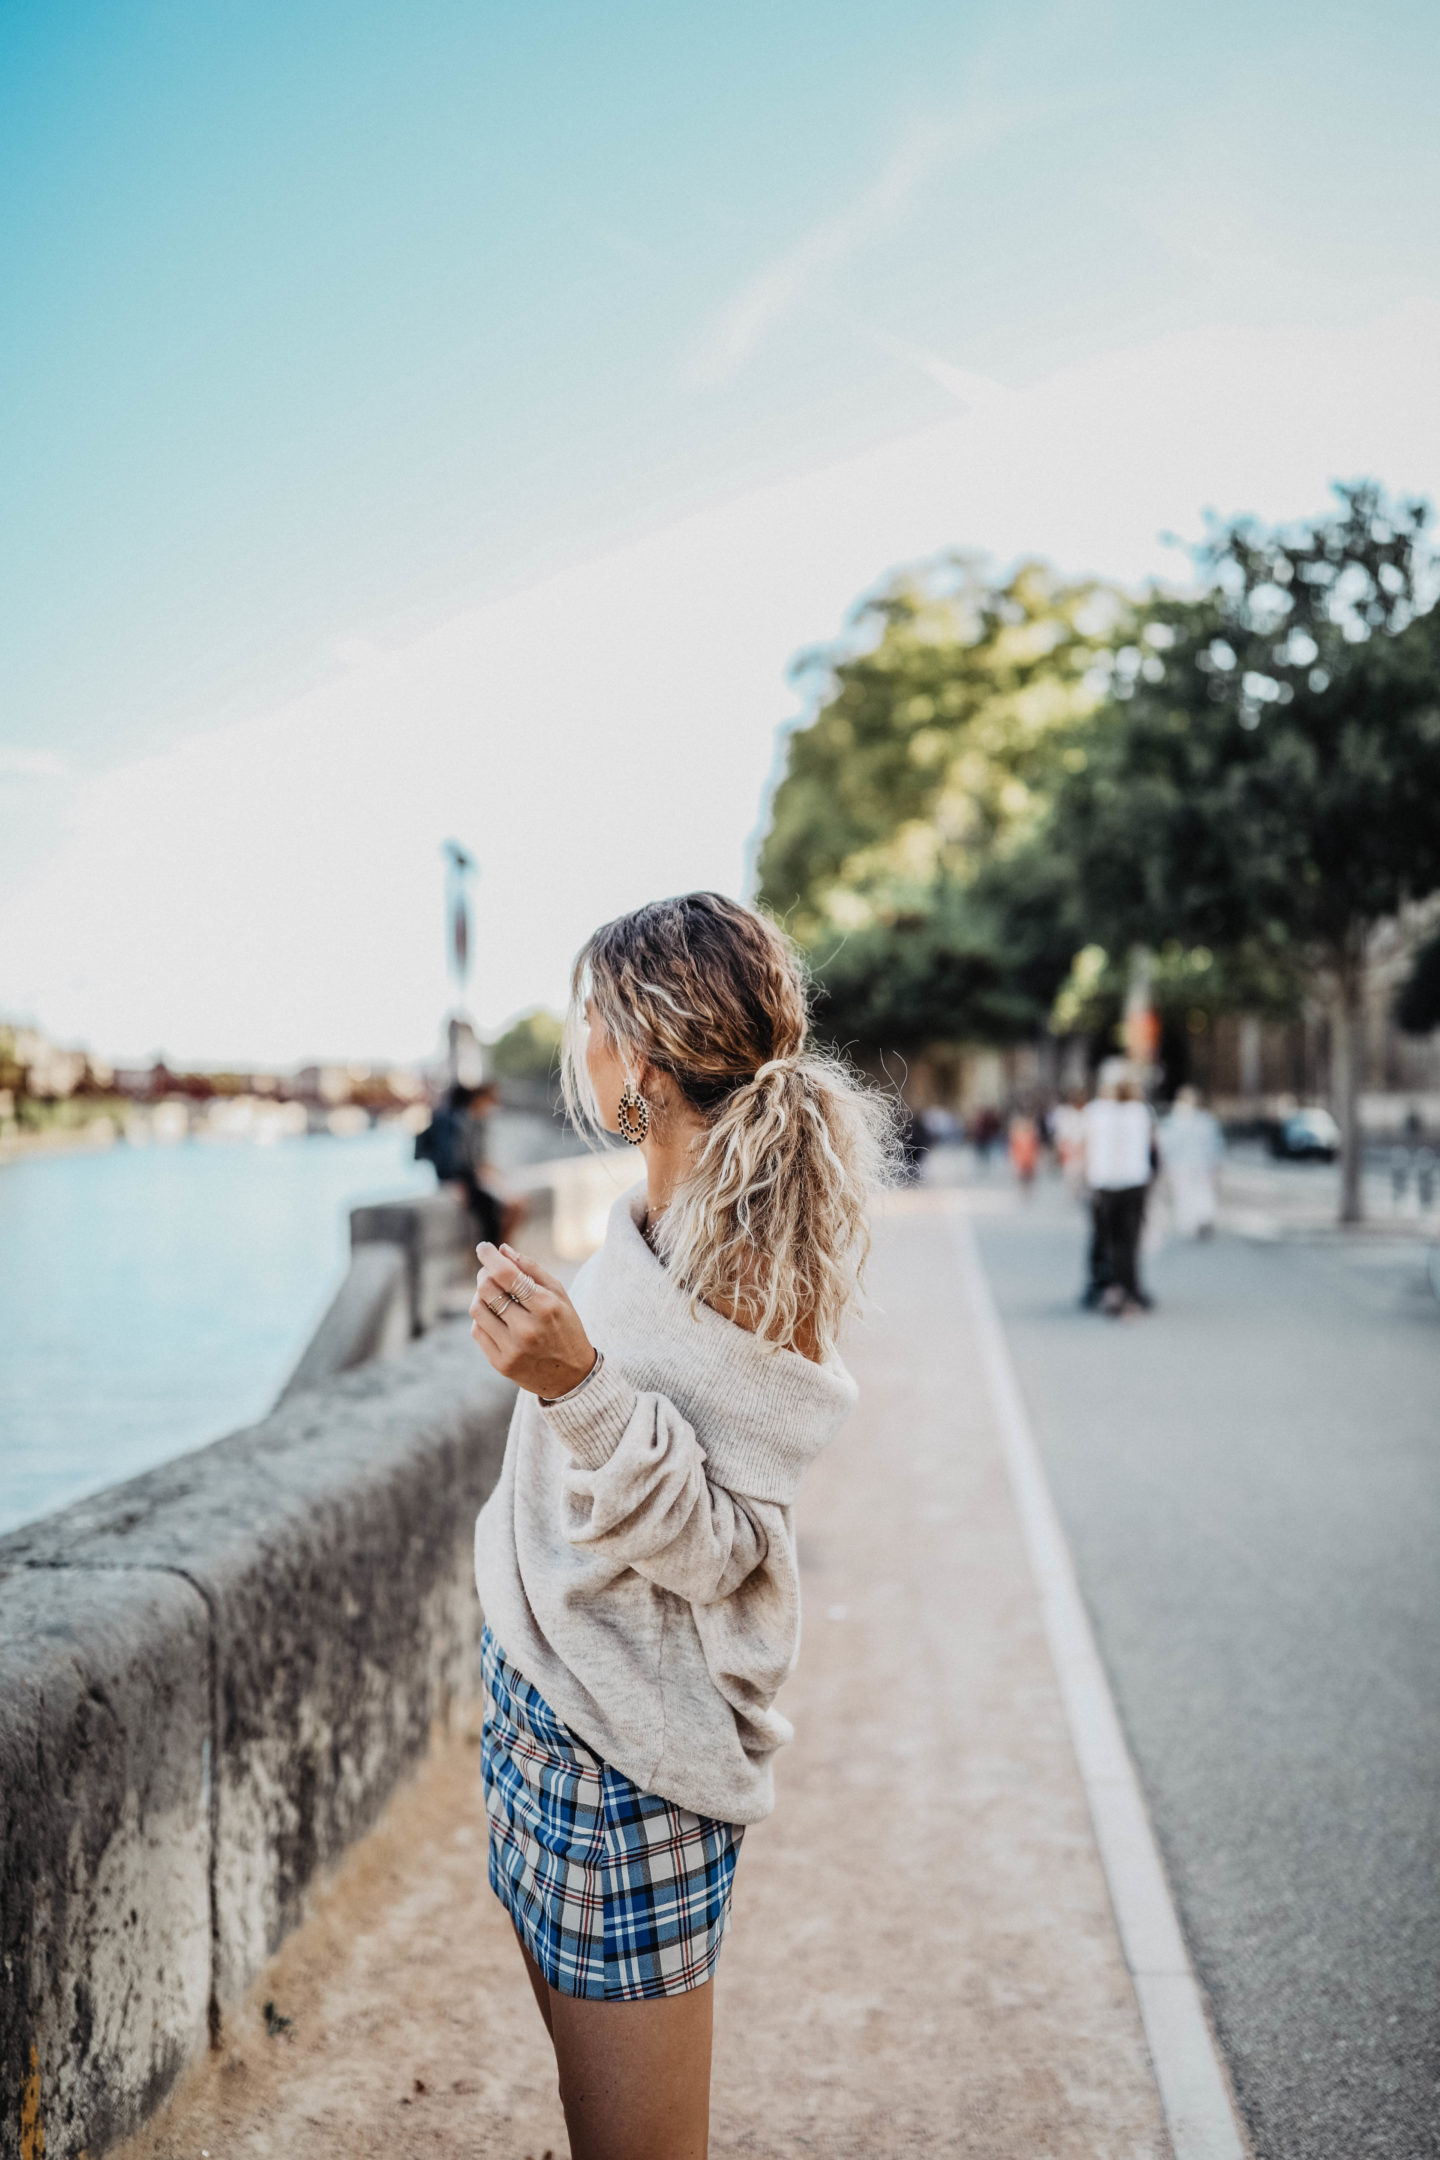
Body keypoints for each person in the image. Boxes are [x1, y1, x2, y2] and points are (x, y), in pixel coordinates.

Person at [467, 893, 891, 2160]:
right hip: (550, 1707)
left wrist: (573, 1383)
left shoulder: (752, 1263)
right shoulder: (659, 1213)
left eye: (590, 1014)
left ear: (640, 1061)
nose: (576, 1036)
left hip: (623, 1764)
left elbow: (724, 1551)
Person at [1081, 1059, 1156, 1315]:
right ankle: (1129, 1289)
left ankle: (1106, 1287)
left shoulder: (1096, 1111)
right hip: (1134, 1183)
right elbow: (1151, 1147)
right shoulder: (1141, 1112)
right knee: (1129, 1241)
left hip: (1104, 1184)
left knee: (1104, 1239)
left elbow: (1086, 1146)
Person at [414, 1079, 509, 1247]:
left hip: (463, 1177)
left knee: (495, 1211)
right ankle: (491, 1256)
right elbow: (454, 1157)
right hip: (460, 1179)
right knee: (490, 1212)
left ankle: (494, 1255)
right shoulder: (457, 1122)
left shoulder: (468, 1121)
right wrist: (456, 1181)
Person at [1159, 1085, 1223, 1238]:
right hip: (1196, 1164)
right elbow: (1215, 1143)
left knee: (1188, 1194)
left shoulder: (1176, 1121)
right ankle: (1200, 1220)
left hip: (1187, 1164)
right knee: (1200, 1193)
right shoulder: (1204, 1120)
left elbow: (1166, 1145)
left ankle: (1195, 1222)